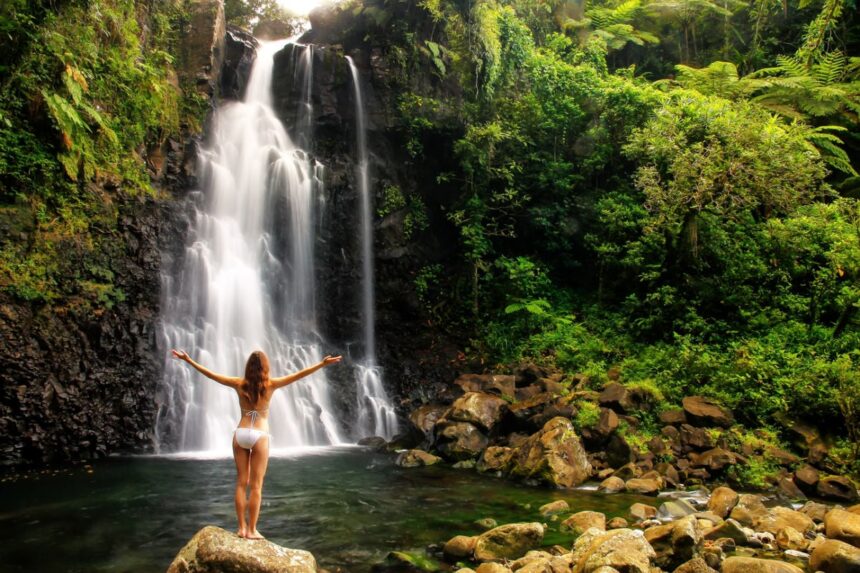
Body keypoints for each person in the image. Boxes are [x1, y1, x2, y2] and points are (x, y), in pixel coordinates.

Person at [171, 348, 342, 540]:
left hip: (241, 433)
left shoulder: (238, 383)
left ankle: (241, 528)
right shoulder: (271, 385)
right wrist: (322, 364)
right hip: (260, 434)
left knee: (241, 483)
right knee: (257, 486)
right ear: (266, 367)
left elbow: (211, 375)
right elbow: (299, 375)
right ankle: (252, 530)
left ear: (248, 368)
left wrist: (188, 360)